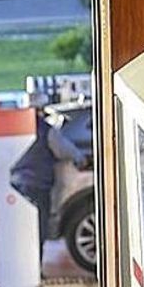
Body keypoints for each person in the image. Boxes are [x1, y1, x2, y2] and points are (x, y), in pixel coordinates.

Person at [10, 93, 90, 266]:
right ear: (41, 110)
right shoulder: (47, 131)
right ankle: (34, 270)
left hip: (15, 184)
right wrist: (82, 159)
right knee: (38, 230)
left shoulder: (17, 129)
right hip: (37, 185)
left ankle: (21, 269)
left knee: (20, 230)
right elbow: (65, 149)